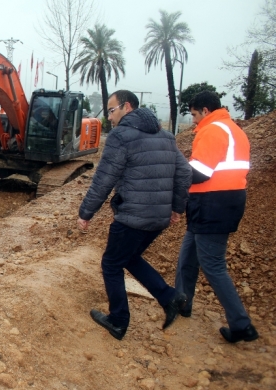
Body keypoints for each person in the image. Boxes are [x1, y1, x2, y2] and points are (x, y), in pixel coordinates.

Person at [77, 90, 192, 340]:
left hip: (132, 217)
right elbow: (184, 174)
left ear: (126, 107)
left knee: (111, 264)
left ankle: (118, 321)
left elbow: (104, 179)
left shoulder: (121, 136)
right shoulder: (166, 136)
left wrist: (86, 213)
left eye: (111, 110)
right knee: (128, 257)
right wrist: (176, 208)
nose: (109, 117)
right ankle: (170, 297)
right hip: (158, 218)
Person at [174, 91, 258, 343]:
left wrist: (174, 171)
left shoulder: (212, 130)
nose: (194, 121)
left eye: (195, 114)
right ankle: (181, 302)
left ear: (206, 111)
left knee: (212, 265)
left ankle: (242, 325)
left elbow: (200, 172)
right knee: (188, 255)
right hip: (219, 202)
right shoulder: (233, 129)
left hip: (213, 204)